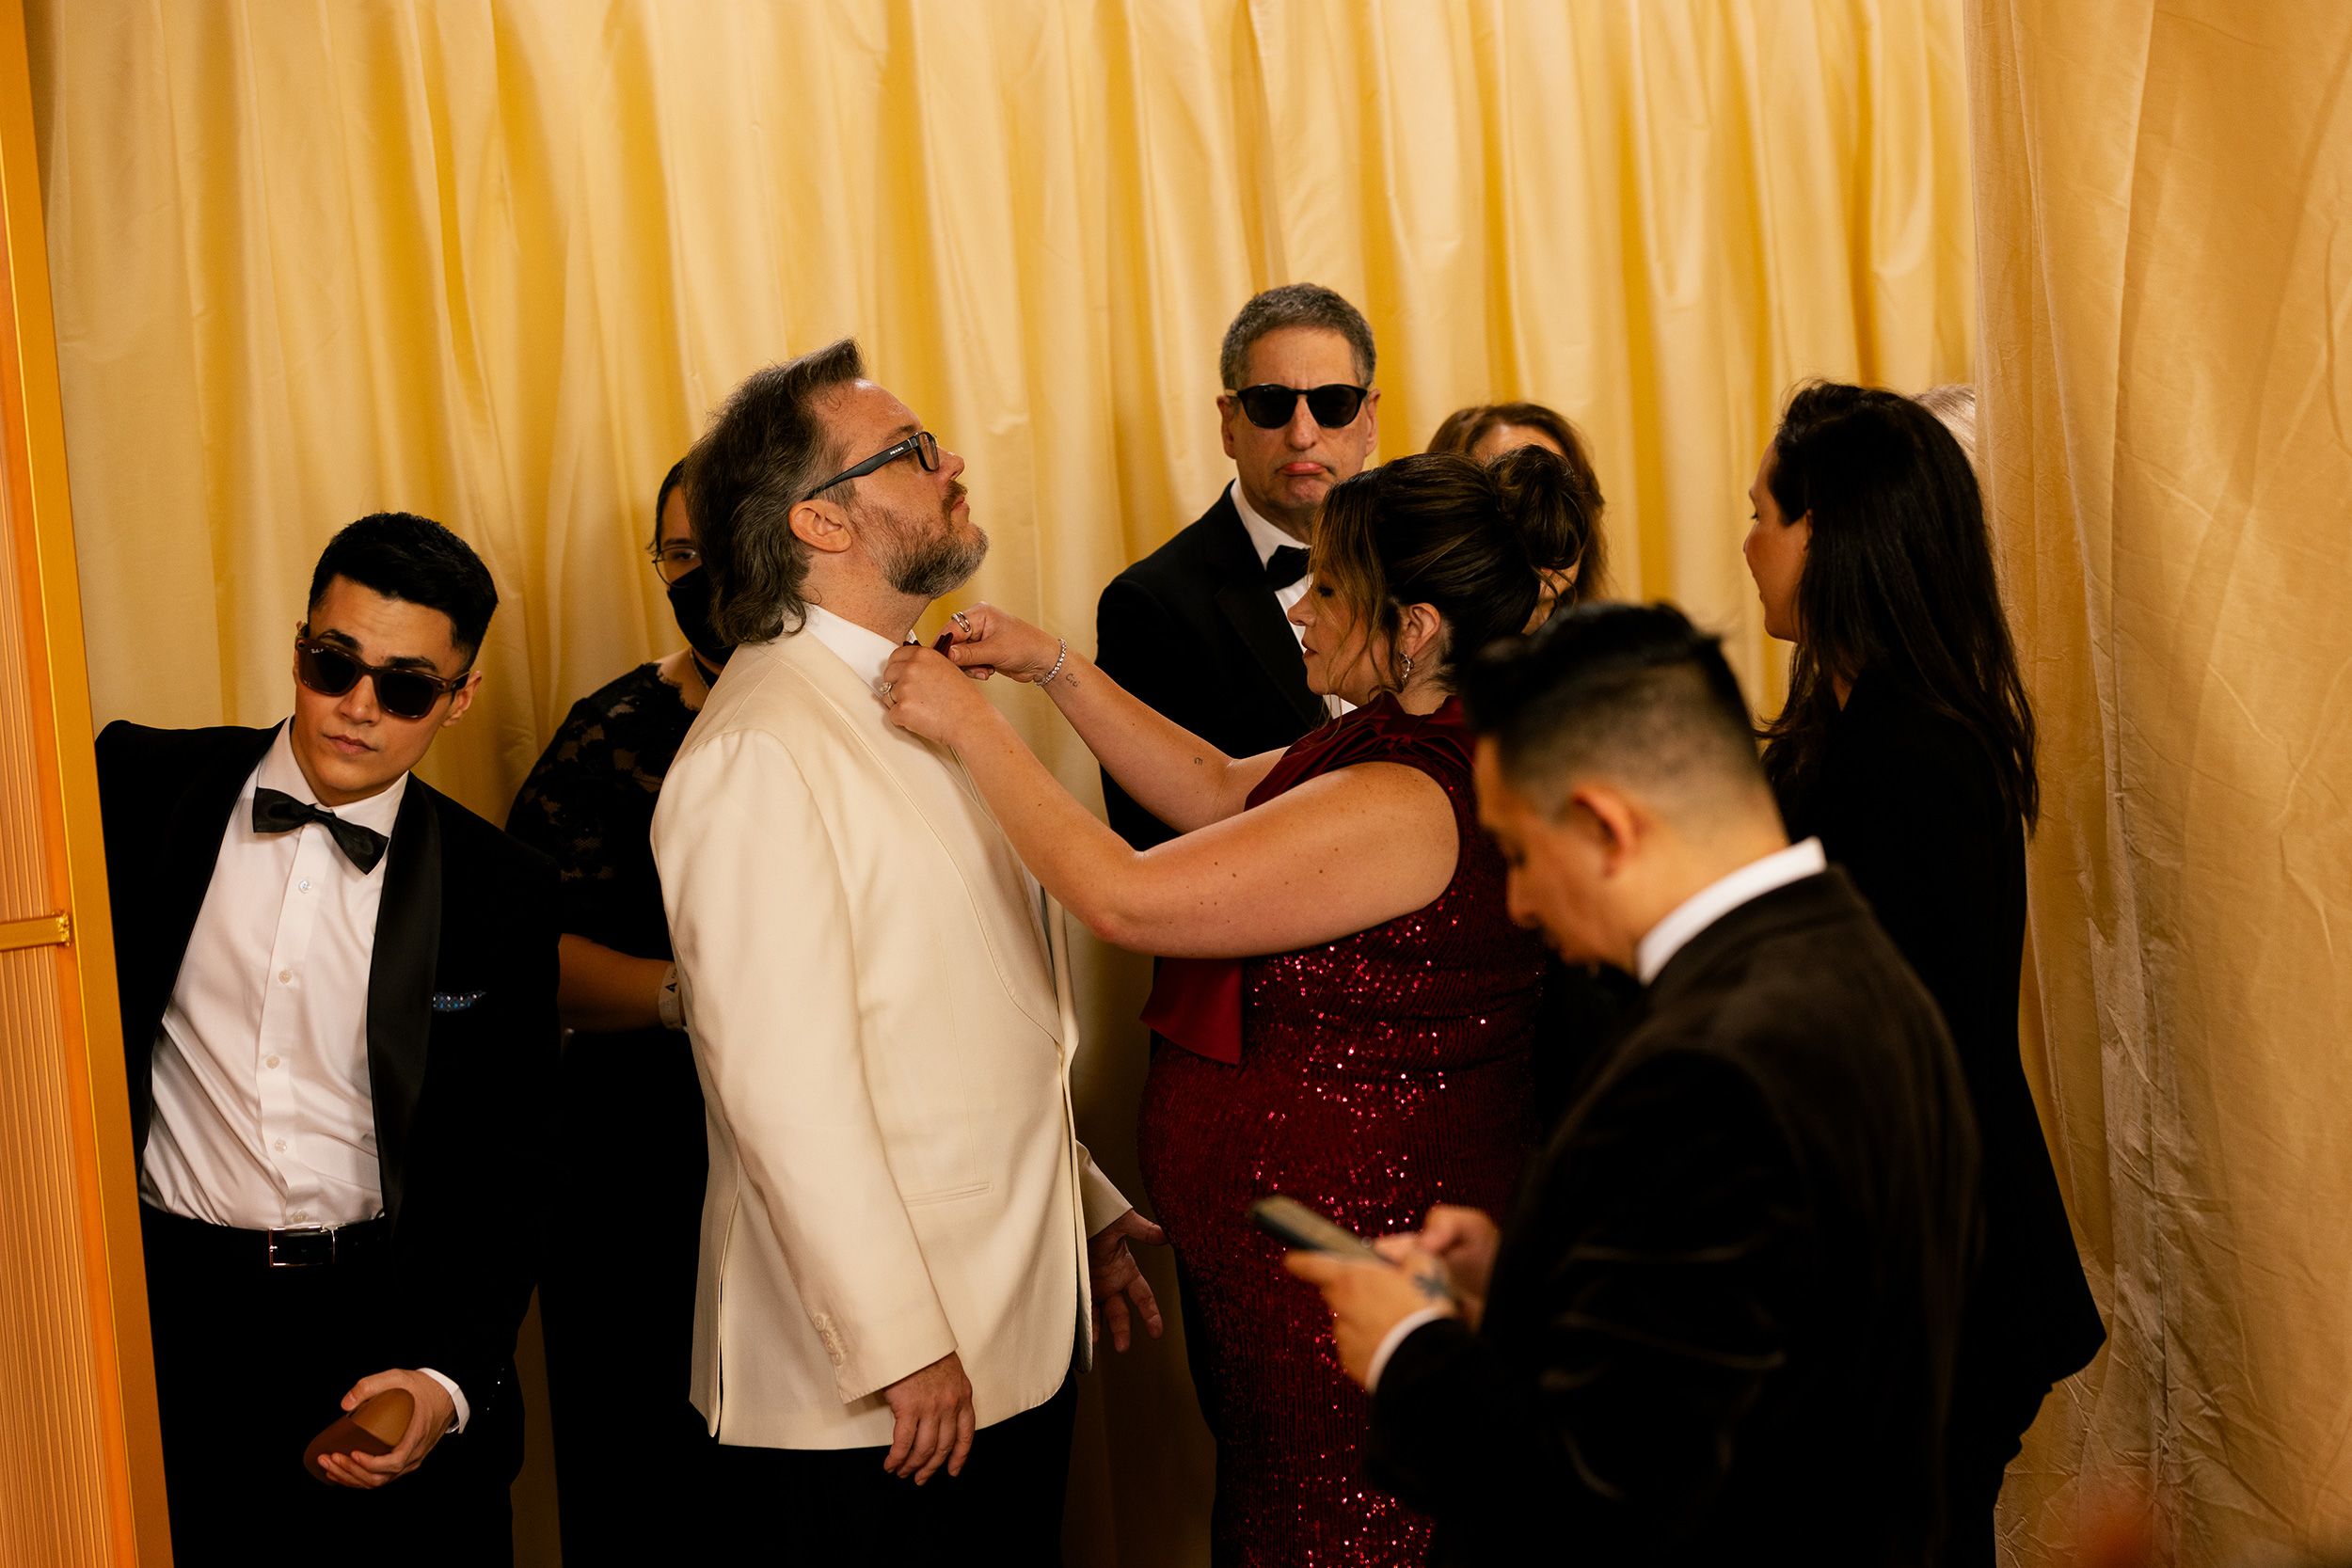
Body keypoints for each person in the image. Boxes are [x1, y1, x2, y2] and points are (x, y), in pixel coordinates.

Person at [879, 449, 1586, 1565]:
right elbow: (1213, 788)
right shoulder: (1393, 734)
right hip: (1300, 1267)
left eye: (1331, 588)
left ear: (1413, 627)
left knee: (1340, 1528)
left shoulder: (1413, 791)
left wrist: (971, 728)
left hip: (1356, 1254)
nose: (1300, 609)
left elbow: (1124, 896)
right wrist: (1048, 663)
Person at [1286, 602, 1981, 1566]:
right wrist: (1531, 1279)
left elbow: (1606, 1496)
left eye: (1518, 853)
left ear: (1606, 827)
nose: (1519, 901)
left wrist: (1409, 1351)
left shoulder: (1708, 1071)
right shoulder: (1854, 959)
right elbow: (1752, 1339)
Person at [648, 339, 1162, 1560]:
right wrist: (898, 1342)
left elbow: (960, 1012)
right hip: (878, 1396)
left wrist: (1078, 1204)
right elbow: (783, 1091)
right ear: (820, 519)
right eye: (912, 451)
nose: (953, 461)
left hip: (1010, 1329)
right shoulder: (759, 747)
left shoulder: (918, 696)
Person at [95, 513, 559, 1563]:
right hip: (168, 1311)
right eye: (333, 664)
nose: (358, 707)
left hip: (382, 1320)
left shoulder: (502, 890)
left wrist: (446, 1377)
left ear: (460, 697)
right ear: (299, 644)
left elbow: (517, 1163)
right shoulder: (136, 785)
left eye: (406, 688)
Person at [1742, 381, 2105, 1566]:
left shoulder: (1913, 756)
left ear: (1830, 534)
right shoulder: (1849, 737)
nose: (1747, 544)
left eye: (1763, 515)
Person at [504, 459, 723, 1561]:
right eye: (679, 554)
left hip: (847, 1156)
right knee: (649, 1477)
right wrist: (697, 997)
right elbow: (516, 953)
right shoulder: (616, 730)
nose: (703, 575)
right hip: (641, 1156)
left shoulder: (899, 704)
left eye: (722, 543)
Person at [1095, 282, 1380, 848]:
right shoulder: (1148, 605)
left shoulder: (1424, 562)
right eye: (1272, 405)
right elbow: (1157, 847)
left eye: (1332, 403)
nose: (1303, 434)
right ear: (1229, 424)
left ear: (1369, 419)